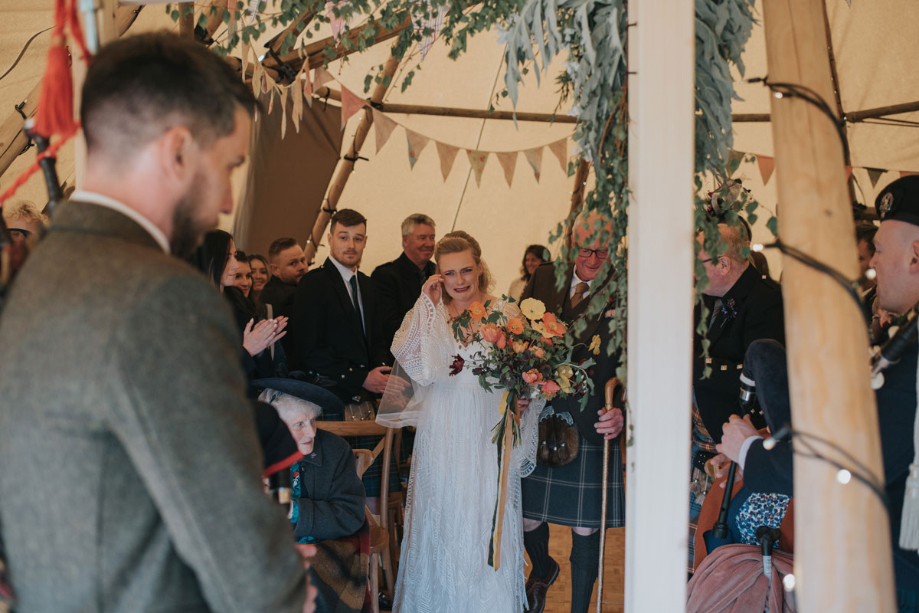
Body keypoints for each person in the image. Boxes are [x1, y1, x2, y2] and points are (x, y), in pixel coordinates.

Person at [0, 32, 314, 613]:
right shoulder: (166, 297)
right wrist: (283, 587)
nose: (224, 198)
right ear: (177, 150)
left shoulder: (27, 280)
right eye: (227, 166)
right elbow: (228, 524)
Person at [720, 176, 919, 610]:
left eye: (880, 252)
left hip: (900, 576)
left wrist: (751, 450)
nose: (872, 266)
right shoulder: (905, 341)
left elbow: (850, 461)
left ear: (915, 256)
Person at [380, 233, 539, 612]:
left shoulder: (506, 313)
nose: (460, 280)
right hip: (443, 427)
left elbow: (530, 374)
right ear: (439, 276)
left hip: (488, 427)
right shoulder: (430, 312)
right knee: (442, 515)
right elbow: (412, 362)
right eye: (450, 273)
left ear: (480, 267)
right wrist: (426, 306)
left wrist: (528, 392)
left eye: (466, 269)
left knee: (485, 515)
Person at [520, 212, 626, 613]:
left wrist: (624, 415)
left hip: (593, 417)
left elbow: (644, 361)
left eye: (603, 250)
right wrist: (519, 388)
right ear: (571, 245)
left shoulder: (626, 286)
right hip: (540, 413)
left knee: (586, 525)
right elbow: (518, 337)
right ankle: (543, 567)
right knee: (527, 518)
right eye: (587, 249)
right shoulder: (546, 277)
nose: (596, 259)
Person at [290, 209, 396, 509]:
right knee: (333, 493)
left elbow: (376, 339)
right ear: (330, 239)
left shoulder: (369, 285)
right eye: (344, 237)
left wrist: (380, 372)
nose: (351, 244)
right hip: (330, 401)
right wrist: (362, 376)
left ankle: (374, 557)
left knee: (374, 501)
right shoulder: (313, 284)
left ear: (365, 242)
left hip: (366, 402)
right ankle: (340, 556)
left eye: (358, 238)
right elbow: (310, 350)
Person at [194, 230, 286, 384]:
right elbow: (203, 373)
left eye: (234, 256)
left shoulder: (239, 302)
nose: (235, 265)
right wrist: (247, 350)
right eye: (227, 258)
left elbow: (262, 374)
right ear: (209, 260)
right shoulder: (192, 309)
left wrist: (263, 343)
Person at [371, 213, 436, 362]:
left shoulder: (439, 273)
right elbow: (390, 328)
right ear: (405, 240)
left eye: (432, 237)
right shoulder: (386, 276)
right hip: (401, 362)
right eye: (422, 238)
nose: (429, 243)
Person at [261, 237, 308, 319]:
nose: (302, 267)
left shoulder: (268, 289)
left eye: (302, 260)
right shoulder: (292, 297)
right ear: (275, 270)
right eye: (293, 263)